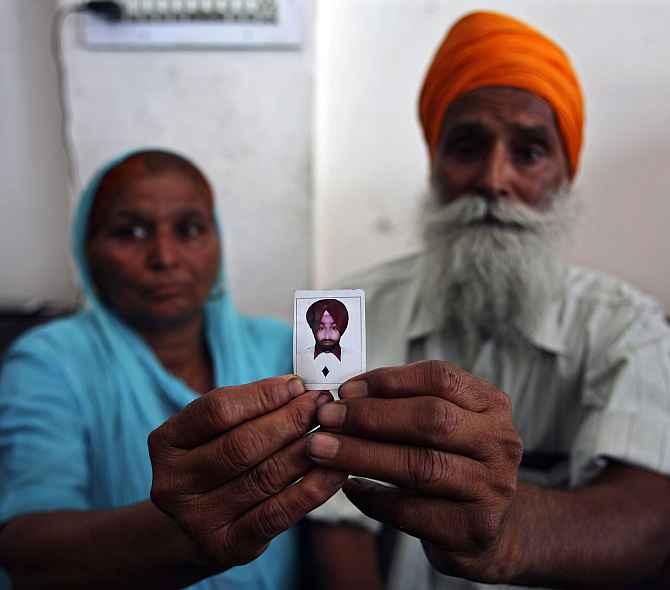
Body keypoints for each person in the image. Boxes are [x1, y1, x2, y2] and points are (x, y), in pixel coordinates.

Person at [306, 11, 670, 589]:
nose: (494, 179)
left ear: (563, 178)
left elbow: (651, 519)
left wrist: (509, 531)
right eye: (468, 147)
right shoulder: (343, 316)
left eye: (528, 152)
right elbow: (333, 521)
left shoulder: (628, 327)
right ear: (434, 165)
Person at [0, 149, 346, 588]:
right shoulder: (49, 361)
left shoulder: (281, 348)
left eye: (189, 229)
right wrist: (180, 535)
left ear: (217, 242)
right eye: (131, 231)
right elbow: (27, 551)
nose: (164, 256)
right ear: (87, 250)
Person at [297, 299, 358, 386]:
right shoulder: (301, 358)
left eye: (334, 328)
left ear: (343, 327)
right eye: (321, 328)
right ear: (313, 328)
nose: (327, 336)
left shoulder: (354, 359)